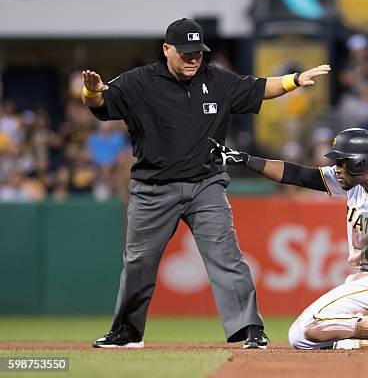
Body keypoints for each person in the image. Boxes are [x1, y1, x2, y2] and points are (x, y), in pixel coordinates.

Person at [80, 18, 330, 349]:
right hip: (153, 188)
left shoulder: (217, 80)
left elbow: (258, 88)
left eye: (198, 52)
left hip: (205, 184)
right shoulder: (139, 82)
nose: (193, 58)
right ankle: (127, 331)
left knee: (226, 255)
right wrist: (90, 91)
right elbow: (101, 104)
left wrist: (295, 79)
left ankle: (250, 328)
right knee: (138, 262)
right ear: (167, 50)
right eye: (186, 53)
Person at [208, 128, 368, 350]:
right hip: (367, 281)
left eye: (341, 162)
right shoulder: (358, 183)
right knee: (301, 338)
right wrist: (245, 160)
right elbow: (297, 175)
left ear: (360, 163)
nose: (336, 169)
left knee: (310, 325)